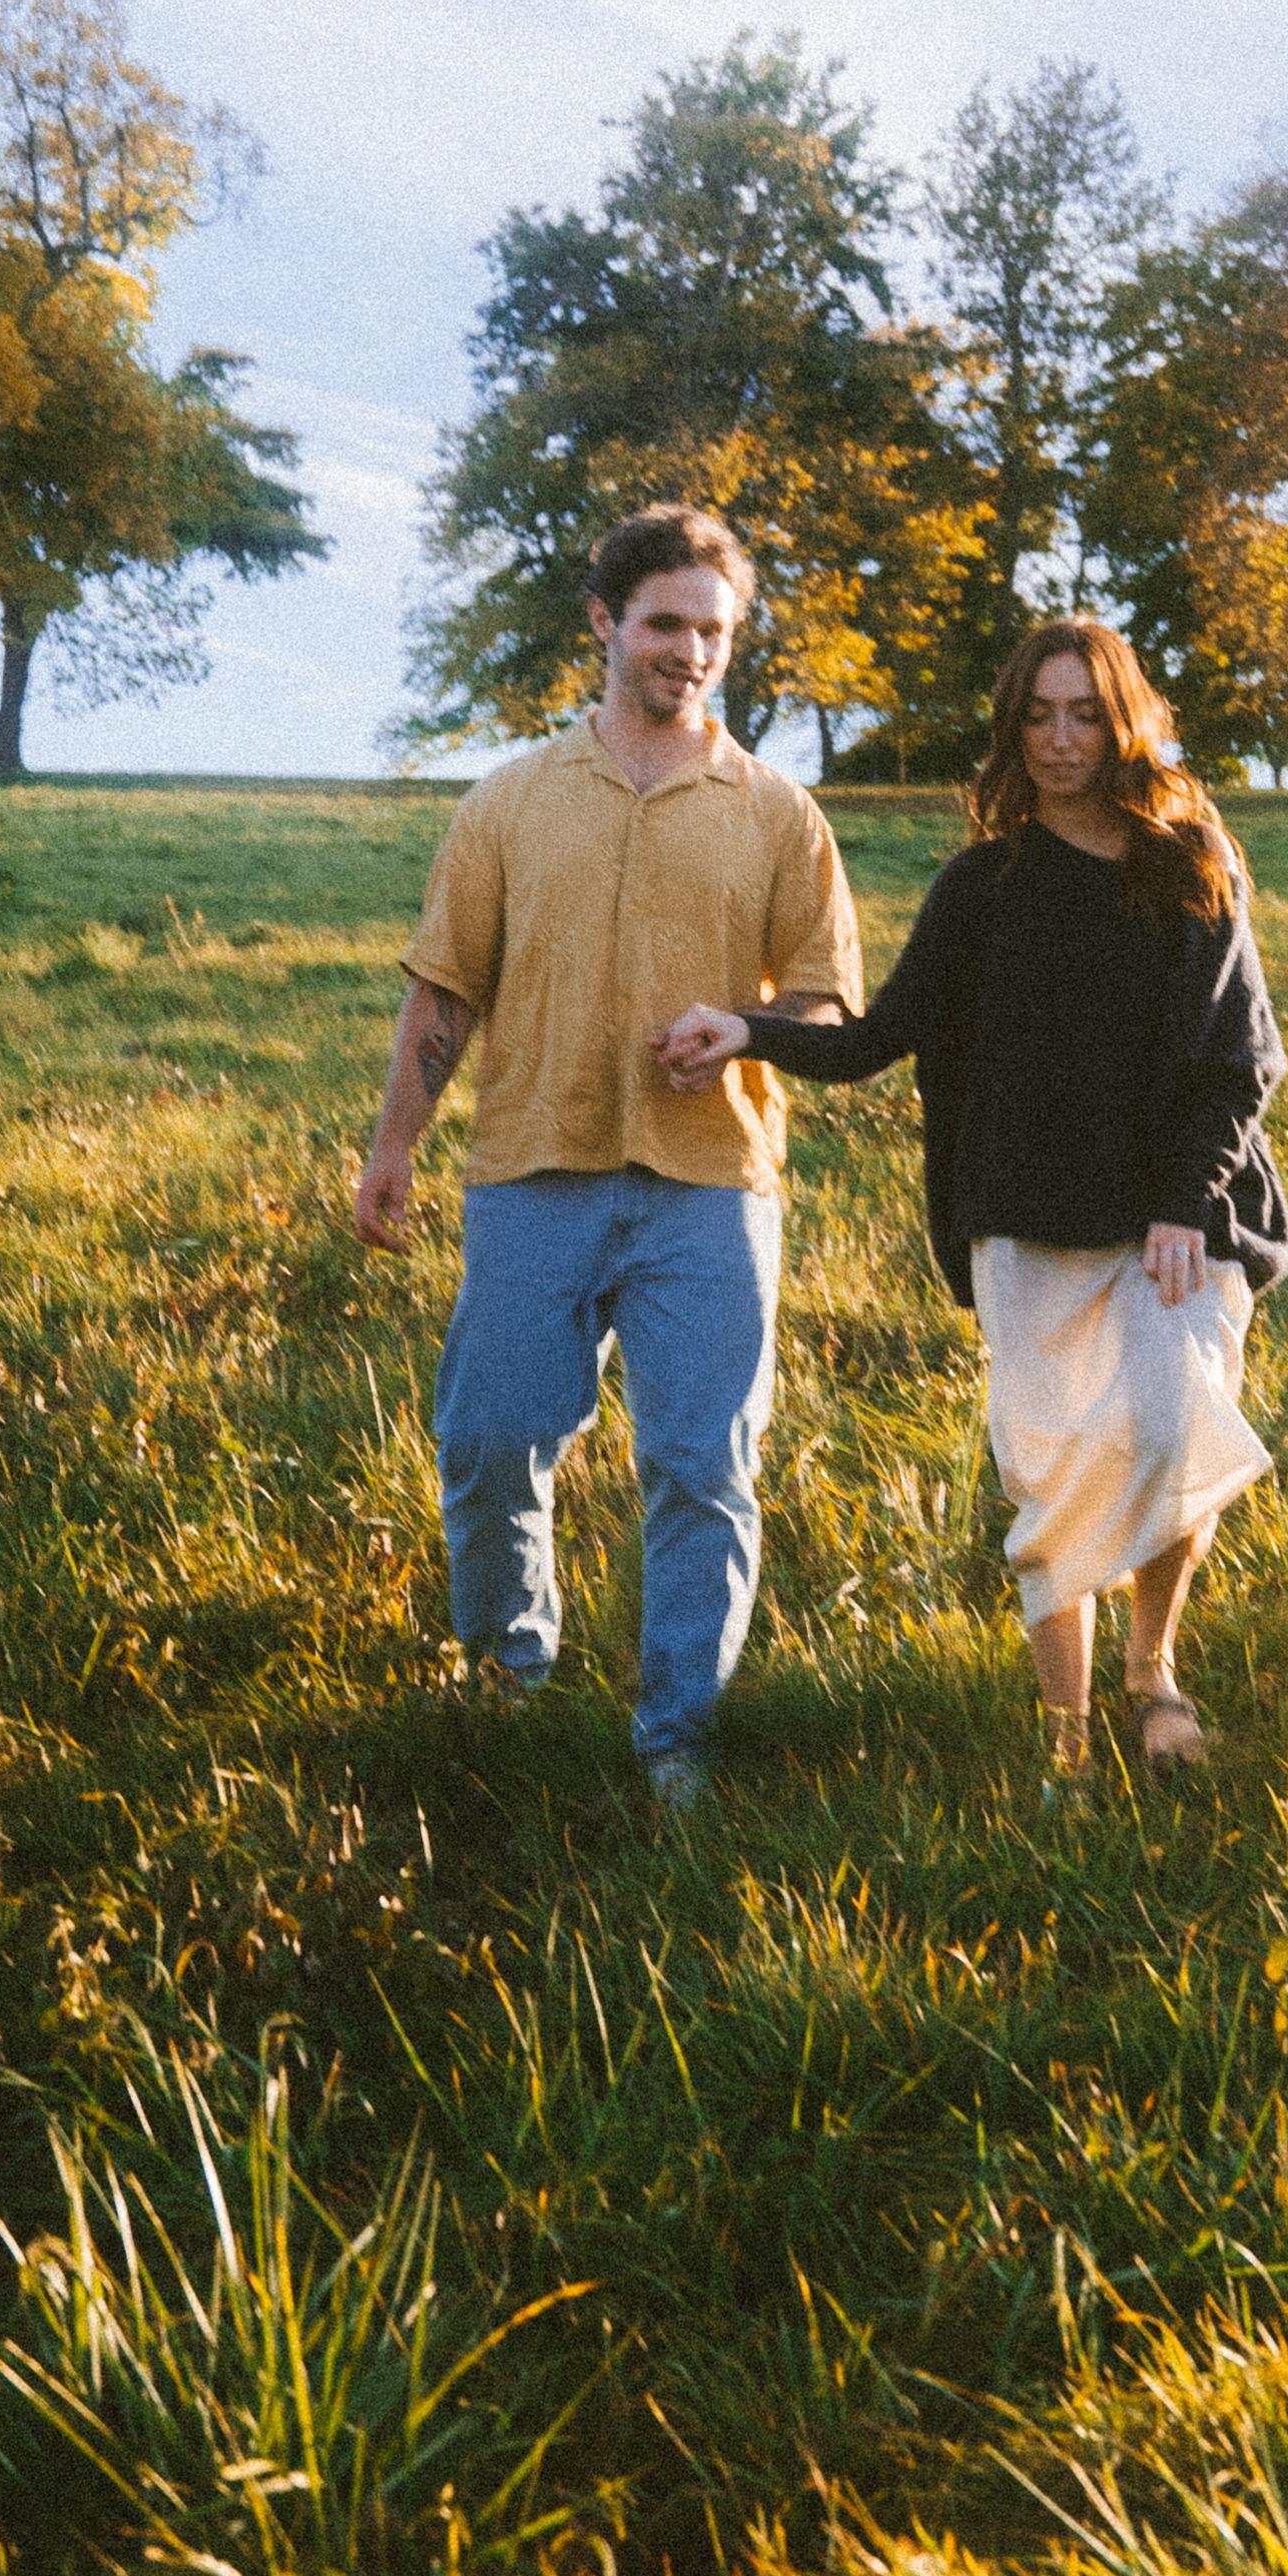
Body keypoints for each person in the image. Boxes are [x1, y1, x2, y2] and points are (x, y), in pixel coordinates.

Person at [659, 612, 1288, 1784]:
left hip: (1174, 1221)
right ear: (1012, 729)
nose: (1061, 739)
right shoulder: (980, 887)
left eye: (1086, 714)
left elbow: (1241, 1060)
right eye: (1039, 716)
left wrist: (1181, 1202)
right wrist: (747, 1029)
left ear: (1125, 722)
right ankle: (1067, 1745)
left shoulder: (1191, 865)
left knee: (1171, 1434)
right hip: (1023, 1218)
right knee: (1048, 1478)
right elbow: (882, 1036)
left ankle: (1153, 1670)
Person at [351, 503, 866, 1812]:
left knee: (703, 1469)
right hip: (534, 1171)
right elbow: (444, 990)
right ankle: (506, 1680)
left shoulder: (779, 814)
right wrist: (395, 1145)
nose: (690, 652)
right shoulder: (511, 802)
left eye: (714, 631)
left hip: (712, 1186)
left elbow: (827, 1009)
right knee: (489, 1443)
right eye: (664, 624)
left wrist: (745, 1029)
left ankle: (676, 1737)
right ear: (604, 622)